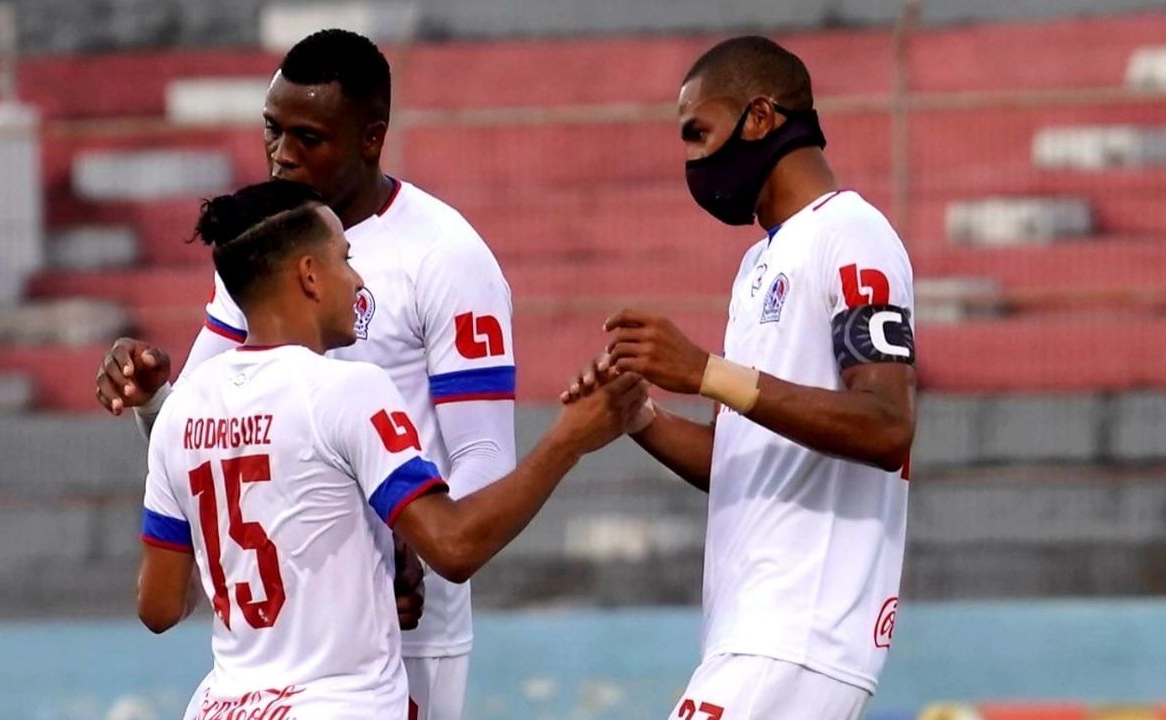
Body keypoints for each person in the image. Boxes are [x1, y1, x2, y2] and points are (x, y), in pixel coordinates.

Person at [97, 30, 516, 719]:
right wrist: (152, 399)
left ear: (370, 138)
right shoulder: (262, 252)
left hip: (408, 620)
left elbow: (483, 452)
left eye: (308, 138)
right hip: (287, 630)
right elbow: (205, 432)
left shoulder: (446, 256)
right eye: (272, 130)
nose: (281, 155)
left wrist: (413, 549)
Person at [137, 180, 643, 720]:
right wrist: (570, 438)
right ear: (308, 274)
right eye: (345, 259)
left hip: (220, 707)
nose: (356, 280)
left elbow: (159, 606)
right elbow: (454, 546)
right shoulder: (349, 389)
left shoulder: (180, 410)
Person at [566, 36, 917, 719]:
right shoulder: (759, 263)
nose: (692, 160)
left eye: (699, 132)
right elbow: (741, 463)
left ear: (759, 118)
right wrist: (639, 415)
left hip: (799, 631)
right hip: (751, 631)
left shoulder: (852, 234)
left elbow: (887, 425)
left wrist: (703, 371)